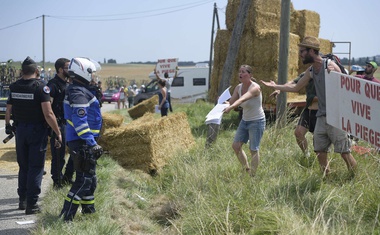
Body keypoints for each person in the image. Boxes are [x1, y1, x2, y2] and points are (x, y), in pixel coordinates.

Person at [260, 36, 357, 176]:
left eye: (302, 51)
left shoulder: (329, 65)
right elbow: (296, 87)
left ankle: (353, 178)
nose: (300, 55)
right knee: (319, 151)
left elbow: (346, 88)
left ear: (311, 51)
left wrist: (335, 74)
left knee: (344, 152)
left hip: (335, 116)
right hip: (321, 117)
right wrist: (276, 86)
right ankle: (326, 179)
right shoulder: (311, 70)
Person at [5, 56, 62, 214]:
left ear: (22, 71)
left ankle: (22, 200)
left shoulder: (14, 86)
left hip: (20, 131)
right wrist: (57, 132)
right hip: (37, 131)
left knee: (23, 166)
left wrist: (7, 125)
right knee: (36, 167)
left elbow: (8, 108)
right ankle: (32, 204)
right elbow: (48, 113)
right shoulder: (41, 87)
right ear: (37, 71)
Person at [60, 57, 103, 221]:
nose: (94, 77)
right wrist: (92, 143)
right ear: (84, 72)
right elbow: (80, 122)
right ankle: (66, 217)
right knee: (83, 180)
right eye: (92, 73)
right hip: (82, 142)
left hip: (83, 141)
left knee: (90, 180)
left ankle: (89, 212)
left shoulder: (78, 89)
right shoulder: (78, 93)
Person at [223, 65, 266, 177]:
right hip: (245, 120)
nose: (240, 74)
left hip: (257, 121)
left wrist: (231, 108)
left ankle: (253, 176)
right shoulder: (238, 87)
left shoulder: (255, 88)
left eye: (243, 72)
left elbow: (242, 99)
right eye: (239, 72)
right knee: (236, 146)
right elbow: (232, 101)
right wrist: (224, 103)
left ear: (250, 75)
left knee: (253, 149)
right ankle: (246, 169)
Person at [266, 72, 318, 157]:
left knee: (318, 139)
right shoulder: (308, 73)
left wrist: (315, 98)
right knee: (298, 133)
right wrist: (279, 89)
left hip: (321, 111)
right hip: (308, 109)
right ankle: (306, 155)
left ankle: (320, 159)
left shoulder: (325, 74)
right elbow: (293, 83)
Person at [47, 58, 74, 188]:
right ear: (60, 69)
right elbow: (48, 106)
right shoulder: (53, 85)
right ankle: (57, 181)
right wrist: (53, 126)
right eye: (68, 67)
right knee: (59, 155)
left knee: (75, 151)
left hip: (68, 123)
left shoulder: (68, 84)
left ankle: (67, 177)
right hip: (58, 123)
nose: (70, 70)